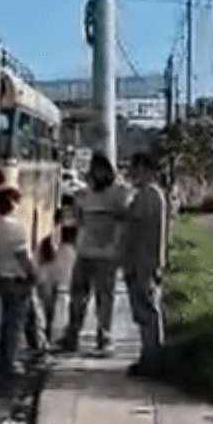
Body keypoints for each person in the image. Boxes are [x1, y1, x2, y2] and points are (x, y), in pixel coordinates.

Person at [59, 152, 132, 354]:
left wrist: (116, 247)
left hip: (106, 254)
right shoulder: (85, 195)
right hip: (85, 251)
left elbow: (124, 222)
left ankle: (104, 335)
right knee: (77, 296)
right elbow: (75, 219)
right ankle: (72, 334)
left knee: (104, 296)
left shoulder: (119, 194)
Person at [0, 187, 44, 380]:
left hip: (1, 276)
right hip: (17, 279)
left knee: (8, 321)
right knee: (14, 323)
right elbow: (23, 256)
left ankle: (5, 358)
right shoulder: (14, 227)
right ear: (12, 204)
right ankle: (9, 362)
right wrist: (34, 275)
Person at [123, 152, 167, 373]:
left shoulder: (149, 196)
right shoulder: (146, 195)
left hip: (144, 263)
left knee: (147, 310)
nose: (133, 174)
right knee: (143, 310)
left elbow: (144, 233)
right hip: (141, 261)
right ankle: (149, 355)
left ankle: (152, 358)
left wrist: (151, 265)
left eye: (137, 169)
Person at [36, 225, 78, 344]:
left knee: (47, 312)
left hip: (49, 285)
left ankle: (46, 335)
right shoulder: (70, 252)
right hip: (62, 290)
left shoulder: (58, 251)